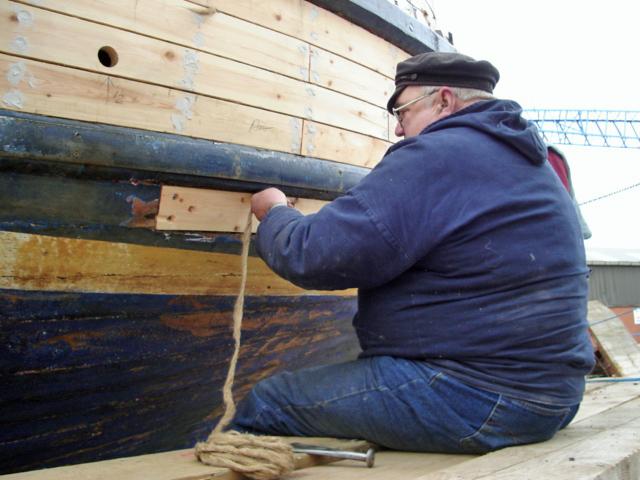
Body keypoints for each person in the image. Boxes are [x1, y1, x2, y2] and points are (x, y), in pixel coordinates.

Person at [229, 52, 595, 453]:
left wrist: (275, 212)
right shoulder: (529, 162)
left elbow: (315, 254)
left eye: (401, 111)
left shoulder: (439, 155)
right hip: (553, 396)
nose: (400, 130)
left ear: (443, 101)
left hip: (478, 395)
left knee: (268, 404)